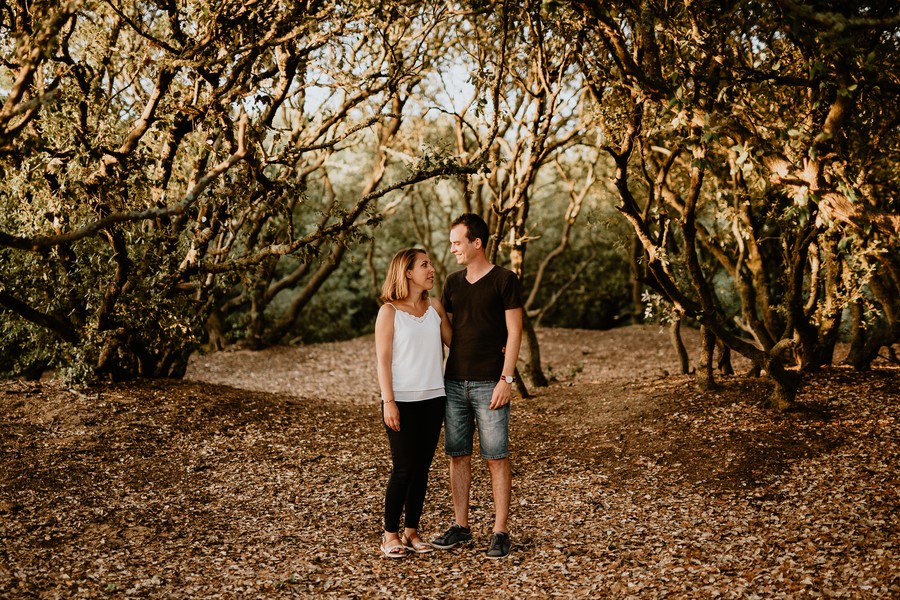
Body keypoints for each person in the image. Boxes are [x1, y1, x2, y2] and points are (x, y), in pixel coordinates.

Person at [432, 213, 523, 560]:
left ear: (476, 243)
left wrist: (506, 378)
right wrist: (436, 310)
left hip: (491, 384)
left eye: (458, 242)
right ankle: (461, 527)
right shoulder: (452, 283)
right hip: (454, 383)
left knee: (496, 458)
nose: (452, 248)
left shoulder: (505, 280)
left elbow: (514, 331)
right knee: (457, 456)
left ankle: (500, 532)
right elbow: (453, 336)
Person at [375, 248, 452, 558]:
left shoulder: (435, 307)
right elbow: (383, 361)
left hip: (434, 399)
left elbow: (455, 343)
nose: (431, 269)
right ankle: (390, 534)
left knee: (421, 470)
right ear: (407, 272)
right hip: (402, 401)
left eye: (430, 264)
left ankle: (411, 532)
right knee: (404, 469)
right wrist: (388, 401)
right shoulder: (389, 311)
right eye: (424, 265)